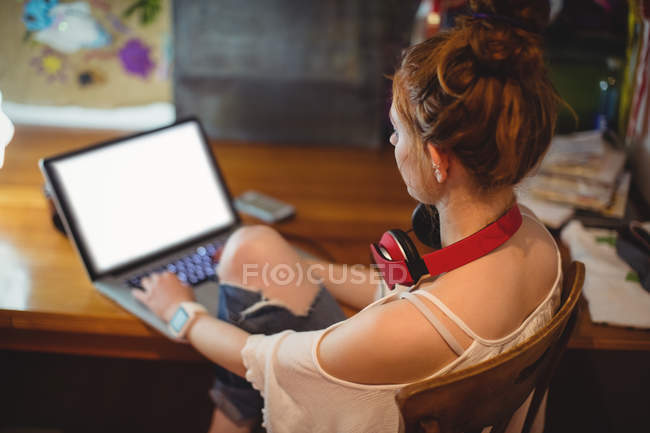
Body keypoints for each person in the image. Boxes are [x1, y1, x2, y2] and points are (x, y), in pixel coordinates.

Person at [132, 1, 565, 431]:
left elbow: (259, 362)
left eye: (397, 130)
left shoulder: (400, 332)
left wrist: (181, 313)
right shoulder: (534, 239)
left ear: (438, 158)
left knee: (243, 296)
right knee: (253, 247)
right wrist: (306, 268)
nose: (394, 140)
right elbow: (415, 294)